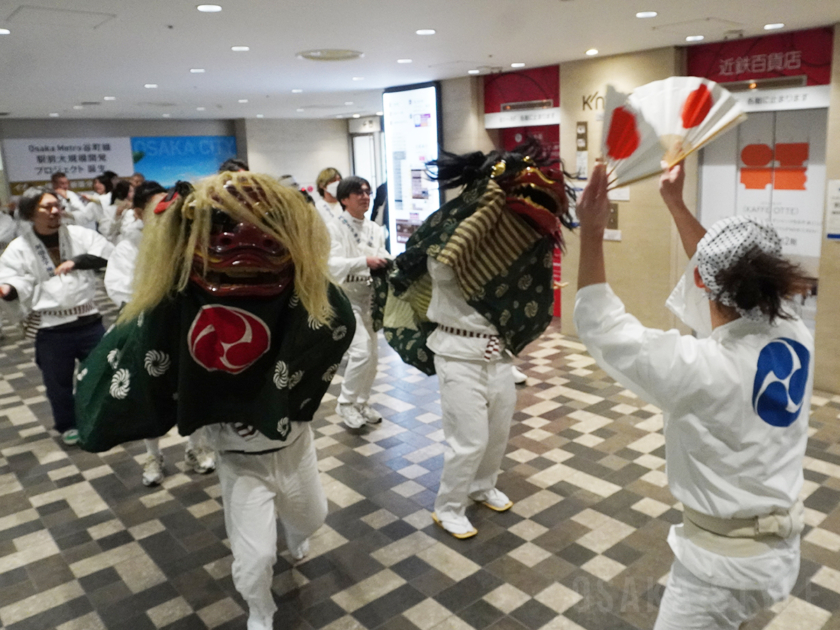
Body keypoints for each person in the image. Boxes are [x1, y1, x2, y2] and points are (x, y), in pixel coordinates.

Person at [75, 172, 355, 630]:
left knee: (313, 517)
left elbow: (334, 327)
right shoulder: (175, 301)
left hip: (294, 442)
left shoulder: (305, 293)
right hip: (238, 453)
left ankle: (296, 534)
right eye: (224, 223)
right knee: (255, 554)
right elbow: (134, 353)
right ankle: (260, 611)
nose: (244, 237)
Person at [573, 163, 813, 630]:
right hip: (780, 551)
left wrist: (592, 233)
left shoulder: (697, 369)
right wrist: (675, 204)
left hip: (719, 569)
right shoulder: (793, 334)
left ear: (702, 282)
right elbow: (721, 270)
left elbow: (601, 324)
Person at [379, 139, 574, 538]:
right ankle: (448, 506)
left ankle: (483, 486)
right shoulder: (451, 233)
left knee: (498, 431)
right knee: (468, 438)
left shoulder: (519, 240)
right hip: (456, 351)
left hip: (497, 354)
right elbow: (440, 268)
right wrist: (478, 222)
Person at [104, 181, 216, 486]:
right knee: (150, 395)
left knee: (192, 388)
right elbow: (118, 288)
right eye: (157, 209)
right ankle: (153, 455)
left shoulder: (185, 240)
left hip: (184, 328)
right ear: (139, 213)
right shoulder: (128, 247)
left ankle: (197, 448)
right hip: (147, 330)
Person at [0, 187, 113, 445]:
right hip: (51, 326)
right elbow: (12, 279)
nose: (54, 212)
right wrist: (8, 290)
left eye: (57, 205)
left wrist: (78, 261)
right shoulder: (19, 248)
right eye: (46, 207)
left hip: (89, 320)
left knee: (102, 372)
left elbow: (106, 254)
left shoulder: (79, 234)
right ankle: (68, 424)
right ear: (30, 214)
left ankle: (104, 416)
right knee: (58, 383)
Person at [327, 175, 390, 429]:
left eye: (367, 192)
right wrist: (365, 262)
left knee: (373, 356)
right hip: (345, 298)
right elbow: (331, 265)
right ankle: (345, 403)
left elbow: (381, 254)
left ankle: (362, 402)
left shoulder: (375, 228)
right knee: (361, 351)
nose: (365, 196)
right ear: (344, 199)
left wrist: (389, 261)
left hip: (370, 297)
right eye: (358, 193)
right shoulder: (333, 227)